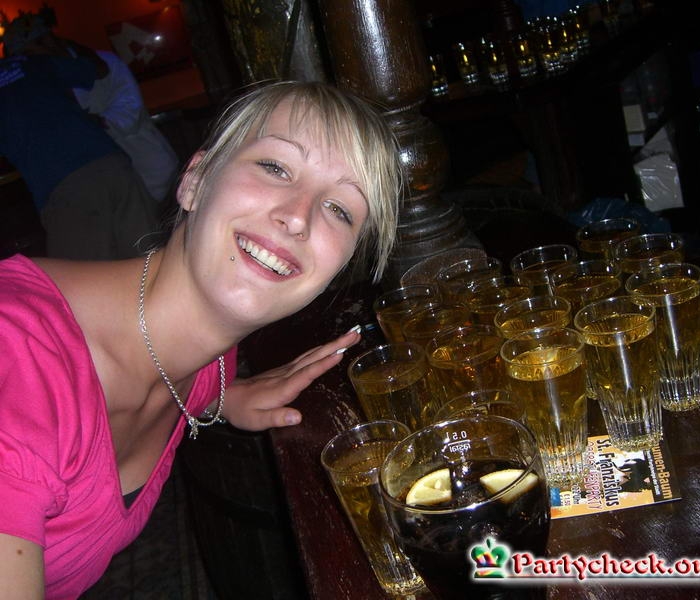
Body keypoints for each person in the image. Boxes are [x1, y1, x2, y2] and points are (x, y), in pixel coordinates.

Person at [0, 80, 401, 599]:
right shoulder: (18, 352)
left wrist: (223, 398)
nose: (298, 217)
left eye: (340, 210)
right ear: (194, 180)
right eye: (275, 167)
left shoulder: (209, 360)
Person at [0, 8, 160, 260]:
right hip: (111, 164)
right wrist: (62, 44)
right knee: (147, 262)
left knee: (86, 275)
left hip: (64, 185)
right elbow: (96, 69)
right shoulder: (39, 64)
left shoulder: (33, 65)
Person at [69, 46, 180, 205]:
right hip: (108, 188)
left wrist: (95, 124)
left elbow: (131, 112)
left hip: (153, 172)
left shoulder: (105, 61)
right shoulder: (44, 80)